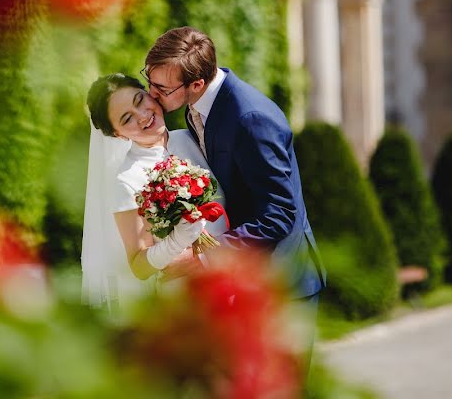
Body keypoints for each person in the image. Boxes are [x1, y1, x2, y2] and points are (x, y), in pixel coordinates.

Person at [143, 26, 326, 366]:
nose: (151, 94)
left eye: (161, 88)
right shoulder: (197, 105)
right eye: (149, 80)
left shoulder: (250, 118)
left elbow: (280, 215)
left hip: (283, 280)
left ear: (196, 84)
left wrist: (203, 259)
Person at [81, 73, 227, 310]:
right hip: (187, 298)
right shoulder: (127, 180)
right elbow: (139, 266)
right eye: (127, 118)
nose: (142, 116)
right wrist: (176, 243)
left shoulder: (194, 137)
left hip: (235, 274)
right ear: (118, 134)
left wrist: (209, 257)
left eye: (140, 100)